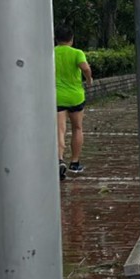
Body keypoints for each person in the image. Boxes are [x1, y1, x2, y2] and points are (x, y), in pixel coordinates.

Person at [54, 26, 93, 180]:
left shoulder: (51, 53)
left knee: (60, 130)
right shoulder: (77, 53)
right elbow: (85, 68)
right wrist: (88, 79)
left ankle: (59, 159)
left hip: (57, 96)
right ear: (71, 39)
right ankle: (75, 162)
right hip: (76, 96)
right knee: (77, 128)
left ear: (56, 39)